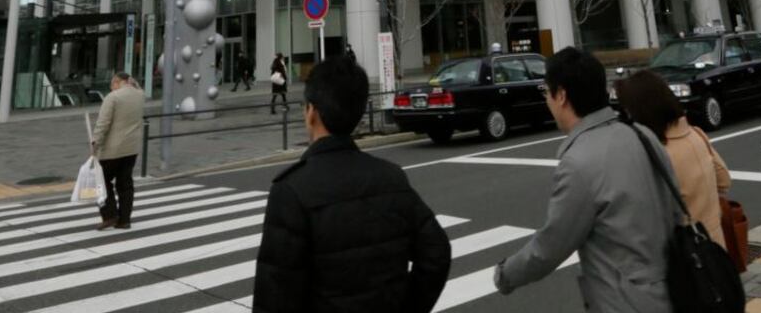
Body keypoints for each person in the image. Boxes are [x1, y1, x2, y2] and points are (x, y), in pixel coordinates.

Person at [253, 57, 451, 312]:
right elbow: (437, 252)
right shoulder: (391, 178)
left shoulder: (291, 190)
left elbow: (274, 297)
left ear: (311, 112)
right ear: (358, 113)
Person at [494, 48, 680, 311]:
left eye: (547, 92)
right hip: (675, 290)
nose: (546, 100)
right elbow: (674, 208)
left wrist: (506, 274)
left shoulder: (579, 163)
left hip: (625, 303)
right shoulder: (642, 134)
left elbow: (550, 246)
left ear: (561, 96)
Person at [615, 70, 732, 247]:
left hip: (682, 257)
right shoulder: (696, 134)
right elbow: (724, 181)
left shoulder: (654, 153)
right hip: (715, 253)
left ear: (641, 111)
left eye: (628, 111)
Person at [90, 72, 145, 230]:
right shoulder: (139, 95)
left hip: (112, 149)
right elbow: (139, 88)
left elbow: (103, 123)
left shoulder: (112, 97)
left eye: (112, 84)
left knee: (101, 180)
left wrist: (95, 142)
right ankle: (124, 220)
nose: (111, 87)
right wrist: (132, 82)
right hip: (131, 148)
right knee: (125, 183)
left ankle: (110, 214)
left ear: (117, 82)